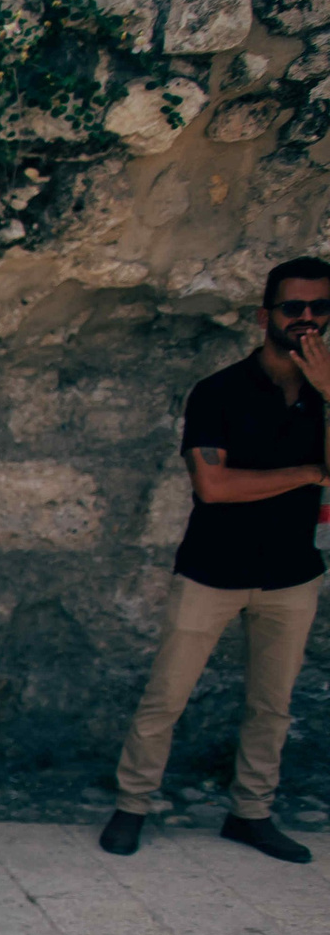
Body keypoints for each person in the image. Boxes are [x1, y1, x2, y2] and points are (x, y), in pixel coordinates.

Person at [102, 257, 330, 865]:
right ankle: (132, 805)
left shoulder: (327, 394)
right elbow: (215, 487)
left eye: (320, 308)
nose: (306, 319)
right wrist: (312, 471)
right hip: (212, 569)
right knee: (166, 696)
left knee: (272, 705)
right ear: (265, 316)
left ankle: (251, 814)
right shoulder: (219, 392)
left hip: (293, 574)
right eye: (292, 307)